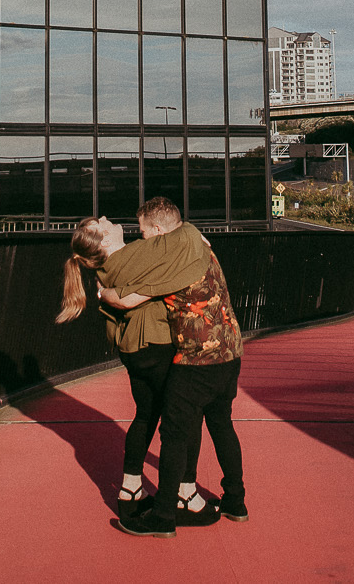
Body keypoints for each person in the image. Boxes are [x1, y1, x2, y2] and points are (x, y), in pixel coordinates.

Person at [102, 196, 247, 537]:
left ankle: (164, 515)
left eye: (141, 231)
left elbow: (126, 300)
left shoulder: (170, 260)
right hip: (231, 351)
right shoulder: (198, 243)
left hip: (196, 359)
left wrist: (100, 294)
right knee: (222, 425)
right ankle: (235, 501)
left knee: (174, 434)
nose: (140, 239)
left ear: (157, 230)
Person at [56, 214, 205, 517]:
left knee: (146, 415)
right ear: (106, 241)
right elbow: (190, 238)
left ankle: (130, 490)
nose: (106, 218)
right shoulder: (135, 254)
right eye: (101, 223)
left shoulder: (105, 267)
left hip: (134, 349)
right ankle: (186, 493)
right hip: (157, 343)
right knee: (186, 414)